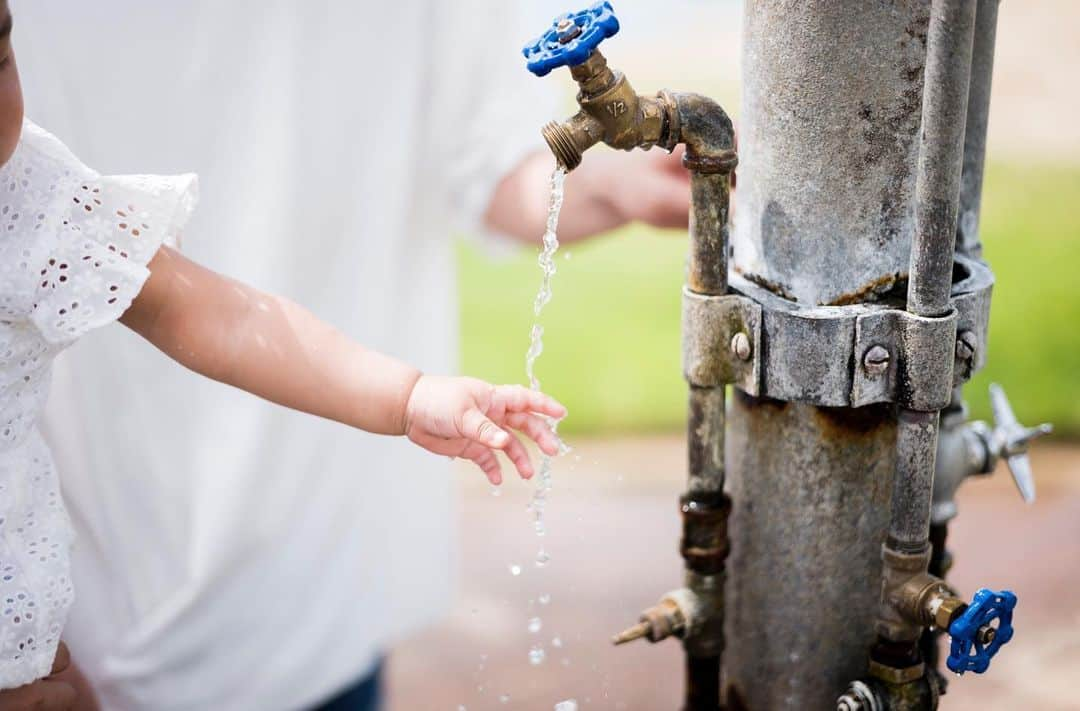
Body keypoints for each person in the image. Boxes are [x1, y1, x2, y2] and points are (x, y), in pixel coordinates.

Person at [12, 2, 694, 709]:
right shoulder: (33, 190)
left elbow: (486, 155)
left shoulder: (56, 208)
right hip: (83, 585)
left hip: (318, 564)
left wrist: (615, 182)